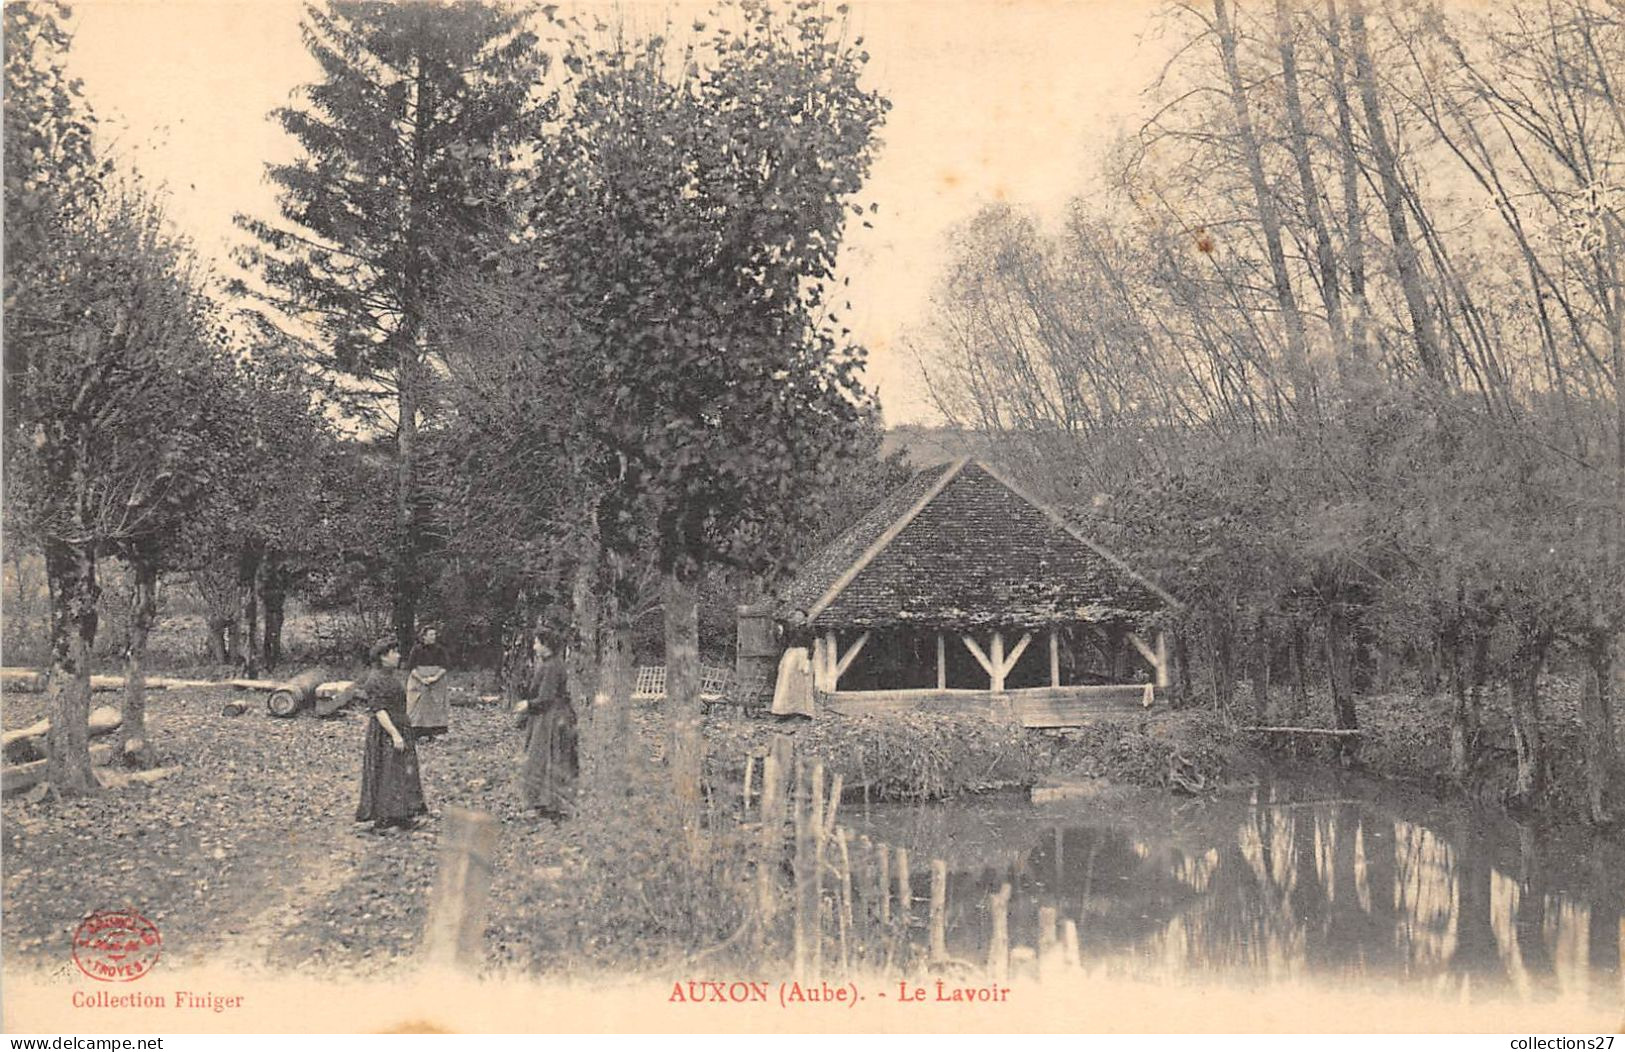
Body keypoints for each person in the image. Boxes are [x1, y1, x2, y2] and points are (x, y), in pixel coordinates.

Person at [354, 661, 428, 833]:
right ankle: (385, 819)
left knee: (403, 771)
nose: (398, 655)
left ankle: (403, 815)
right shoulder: (375, 680)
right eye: (393, 652)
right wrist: (394, 734)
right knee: (388, 772)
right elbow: (379, 710)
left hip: (401, 725)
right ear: (383, 656)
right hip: (386, 732)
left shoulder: (389, 676)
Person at [517, 637, 578, 820]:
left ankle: (545, 803)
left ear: (547, 646)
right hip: (551, 716)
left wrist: (527, 705)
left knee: (542, 757)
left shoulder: (551, 666)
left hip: (551, 718)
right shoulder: (551, 663)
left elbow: (546, 697)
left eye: (537, 643)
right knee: (549, 757)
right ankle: (549, 803)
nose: (534, 646)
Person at [405, 626, 450, 742]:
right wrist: (421, 679)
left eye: (434, 634)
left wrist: (435, 677)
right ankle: (419, 733)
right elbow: (411, 667)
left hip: (437, 681)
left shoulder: (440, 649)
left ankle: (436, 733)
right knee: (418, 705)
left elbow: (445, 666)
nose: (433, 637)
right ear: (424, 636)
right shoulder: (416, 649)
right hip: (419, 680)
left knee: (437, 705)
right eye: (430, 635)